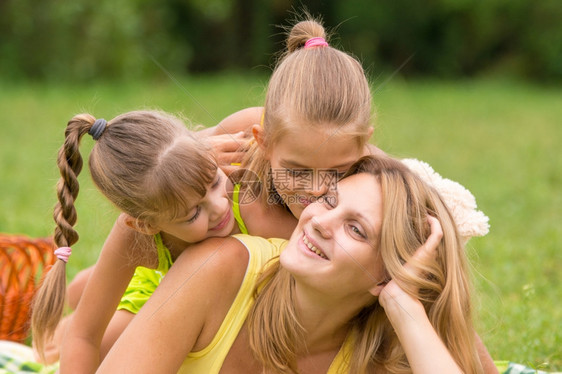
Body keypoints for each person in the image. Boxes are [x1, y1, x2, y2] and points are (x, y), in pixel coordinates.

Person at [98, 155, 484, 373]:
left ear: (386, 273)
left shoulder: (375, 359)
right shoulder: (218, 268)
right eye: (329, 201)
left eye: (356, 229)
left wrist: (404, 306)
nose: (319, 221)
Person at [30, 110, 297, 368]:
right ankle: (76, 307)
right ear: (146, 225)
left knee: (84, 290)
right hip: (161, 288)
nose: (218, 208)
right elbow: (84, 335)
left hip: (198, 289)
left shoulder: (238, 183)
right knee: (94, 349)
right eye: (193, 214)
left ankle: (85, 289)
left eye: (214, 182)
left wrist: (199, 150)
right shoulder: (133, 233)